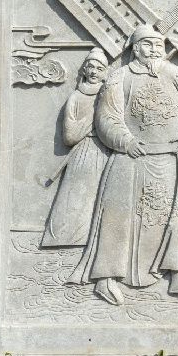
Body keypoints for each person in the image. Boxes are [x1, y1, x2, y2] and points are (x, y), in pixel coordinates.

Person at [68, 24, 178, 304]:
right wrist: (126, 141)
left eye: (158, 45)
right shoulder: (118, 78)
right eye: (147, 44)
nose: (154, 50)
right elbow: (106, 117)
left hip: (173, 157)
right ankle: (106, 279)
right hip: (131, 158)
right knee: (117, 218)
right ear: (135, 48)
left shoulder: (175, 74)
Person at [41, 47, 110, 251]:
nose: (94, 71)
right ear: (84, 70)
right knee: (76, 195)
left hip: (106, 151)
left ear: (105, 72)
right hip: (84, 153)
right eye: (91, 67)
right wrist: (90, 123)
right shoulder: (75, 98)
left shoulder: (108, 96)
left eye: (99, 68)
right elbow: (69, 136)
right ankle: (66, 238)